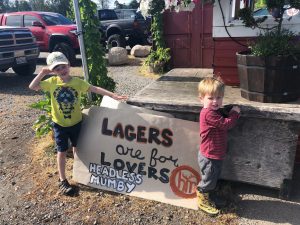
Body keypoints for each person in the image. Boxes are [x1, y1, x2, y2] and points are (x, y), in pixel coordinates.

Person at [29, 52, 127, 196]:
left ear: (68, 65)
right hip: (60, 124)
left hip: (76, 122)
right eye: (57, 69)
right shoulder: (51, 83)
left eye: (63, 66)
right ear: (52, 71)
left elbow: (94, 89)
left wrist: (113, 95)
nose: (61, 70)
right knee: (61, 151)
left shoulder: (77, 82)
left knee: (77, 148)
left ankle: (78, 171)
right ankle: (62, 180)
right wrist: (43, 72)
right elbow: (32, 86)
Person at [196, 77, 240, 215]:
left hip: (215, 153)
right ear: (201, 99)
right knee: (208, 179)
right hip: (210, 155)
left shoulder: (213, 111)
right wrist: (234, 113)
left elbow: (219, 114)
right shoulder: (208, 114)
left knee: (213, 178)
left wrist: (225, 109)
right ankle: (202, 201)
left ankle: (209, 195)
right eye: (211, 98)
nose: (215, 101)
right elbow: (227, 124)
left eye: (219, 97)